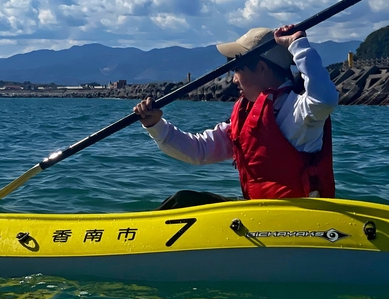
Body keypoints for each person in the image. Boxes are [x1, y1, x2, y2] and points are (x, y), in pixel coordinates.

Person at [133, 25, 339, 210]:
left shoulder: (298, 111)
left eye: (237, 69)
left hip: (296, 222)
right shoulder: (247, 116)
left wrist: (297, 44)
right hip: (258, 215)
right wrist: (155, 125)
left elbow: (325, 99)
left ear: (261, 68)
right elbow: (199, 150)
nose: (233, 79)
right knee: (183, 201)